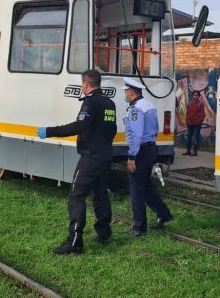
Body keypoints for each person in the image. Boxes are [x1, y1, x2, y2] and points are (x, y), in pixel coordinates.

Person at [37, 69, 117, 254]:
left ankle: (74, 241)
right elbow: (112, 129)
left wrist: (49, 131)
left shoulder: (90, 103)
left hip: (91, 157)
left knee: (76, 195)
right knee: (100, 194)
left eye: (82, 84)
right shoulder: (109, 103)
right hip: (105, 156)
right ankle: (104, 234)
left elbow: (80, 126)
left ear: (86, 84)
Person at [123, 77, 173, 236]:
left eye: (125, 92)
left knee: (136, 190)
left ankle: (139, 227)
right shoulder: (149, 105)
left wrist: (131, 156)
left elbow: (136, 135)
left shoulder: (137, 109)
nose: (125, 94)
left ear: (131, 92)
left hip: (140, 152)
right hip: (151, 149)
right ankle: (163, 214)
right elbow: (155, 129)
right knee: (146, 186)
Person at [184, 90, 205, 156]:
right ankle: (188, 151)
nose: (195, 96)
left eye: (197, 95)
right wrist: (187, 120)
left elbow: (203, 115)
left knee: (195, 138)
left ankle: (195, 151)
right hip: (189, 123)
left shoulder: (200, 104)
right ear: (193, 96)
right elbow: (187, 113)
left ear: (199, 96)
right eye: (194, 95)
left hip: (197, 124)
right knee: (188, 138)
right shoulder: (190, 103)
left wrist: (199, 121)